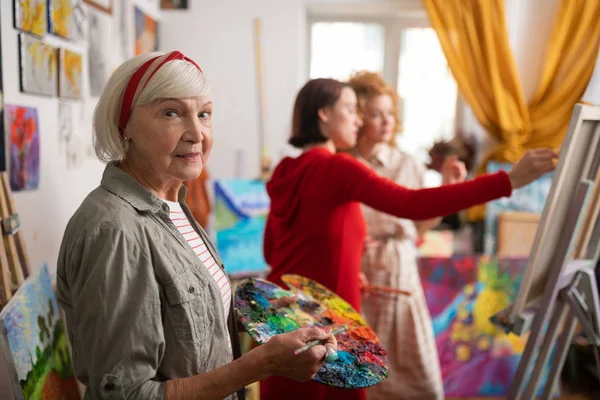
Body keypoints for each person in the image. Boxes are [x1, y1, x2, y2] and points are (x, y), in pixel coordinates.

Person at [55, 51, 338, 400]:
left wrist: (252, 314)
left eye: (204, 114)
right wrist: (261, 364)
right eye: (171, 113)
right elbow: (126, 395)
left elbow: (181, 322)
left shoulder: (173, 203)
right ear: (122, 125)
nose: (197, 133)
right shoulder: (113, 231)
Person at [260, 77, 556, 400]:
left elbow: (272, 251)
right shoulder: (337, 167)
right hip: (325, 327)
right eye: (349, 109)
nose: (358, 119)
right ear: (323, 115)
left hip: (286, 318)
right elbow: (410, 203)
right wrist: (507, 181)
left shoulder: (285, 170)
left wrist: (341, 266)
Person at [347, 70, 442, 399]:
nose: (387, 121)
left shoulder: (407, 164)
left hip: (399, 272)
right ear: (358, 118)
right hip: (357, 276)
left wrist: (450, 190)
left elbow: (420, 227)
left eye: (390, 113)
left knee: (417, 375)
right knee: (359, 370)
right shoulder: (341, 164)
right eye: (376, 114)